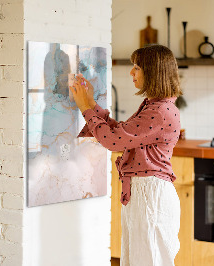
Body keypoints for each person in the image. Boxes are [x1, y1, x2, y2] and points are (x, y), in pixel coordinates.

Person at [70, 44, 182, 266]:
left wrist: (85, 108)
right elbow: (120, 133)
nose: (131, 72)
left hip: (150, 196)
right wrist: (91, 103)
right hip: (144, 193)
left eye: (137, 67)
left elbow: (112, 141)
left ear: (153, 72)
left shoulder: (159, 111)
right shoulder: (154, 106)